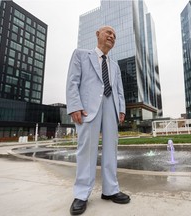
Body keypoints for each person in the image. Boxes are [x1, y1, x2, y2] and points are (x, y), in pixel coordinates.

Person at [66, 26, 130, 215]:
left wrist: (122, 109)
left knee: (112, 148)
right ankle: (81, 194)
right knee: (86, 149)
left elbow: (119, 89)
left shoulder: (115, 65)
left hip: (111, 107)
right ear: (97, 34)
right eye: (108, 33)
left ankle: (110, 190)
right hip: (87, 108)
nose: (112, 36)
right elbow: (72, 81)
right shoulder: (80, 55)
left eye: (115, 35)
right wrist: (74, 106)